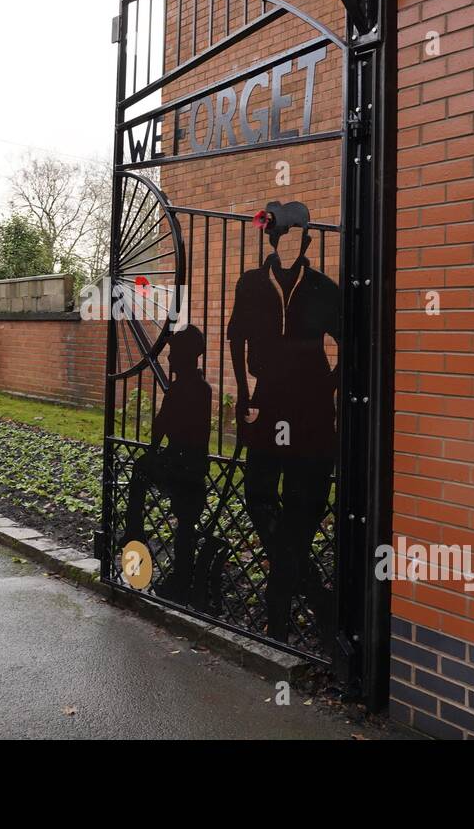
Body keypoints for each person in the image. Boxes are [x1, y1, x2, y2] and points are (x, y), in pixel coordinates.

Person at [227, 201, 340, 644]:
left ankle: (278, 621)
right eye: (281, 237)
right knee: (257, 493)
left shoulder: (323, 288)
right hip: (267, 401)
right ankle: (318, 597)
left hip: (311, 412)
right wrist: (242, 393)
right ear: (272, 241)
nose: (288, 245)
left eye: (297, 237)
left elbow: (352, 338)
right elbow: (236, 338)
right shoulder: (251, 284)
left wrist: (328, 385)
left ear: (306, 240)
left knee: (304, 503)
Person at [119, 325, 212, 604]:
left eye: (173, 353)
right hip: (191, 465)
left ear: (187, 356)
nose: (169, 359)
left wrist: (153, 451)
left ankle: (134, 531)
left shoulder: (186, 389)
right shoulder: (196, 387)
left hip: (183, 464)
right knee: (185, 525)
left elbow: (164, 425)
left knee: (142, 470)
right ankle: (181, 579)